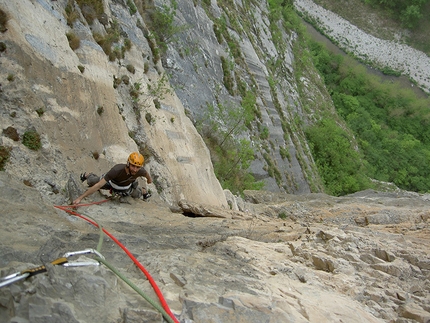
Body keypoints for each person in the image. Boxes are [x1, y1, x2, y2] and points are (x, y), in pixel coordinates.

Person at [72, 152, 152, 205]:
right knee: (91, 181)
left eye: (137, 167)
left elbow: (146, 174)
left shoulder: (140, 171)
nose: (135, 169)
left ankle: (145, 192)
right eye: (133, 166)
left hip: (126, 187)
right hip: (111, 183)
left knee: (137, 194)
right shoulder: (116, 170)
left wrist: (149, 180)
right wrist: (80, 198)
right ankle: (87, 175)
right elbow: (99, 185)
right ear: (128, 163)